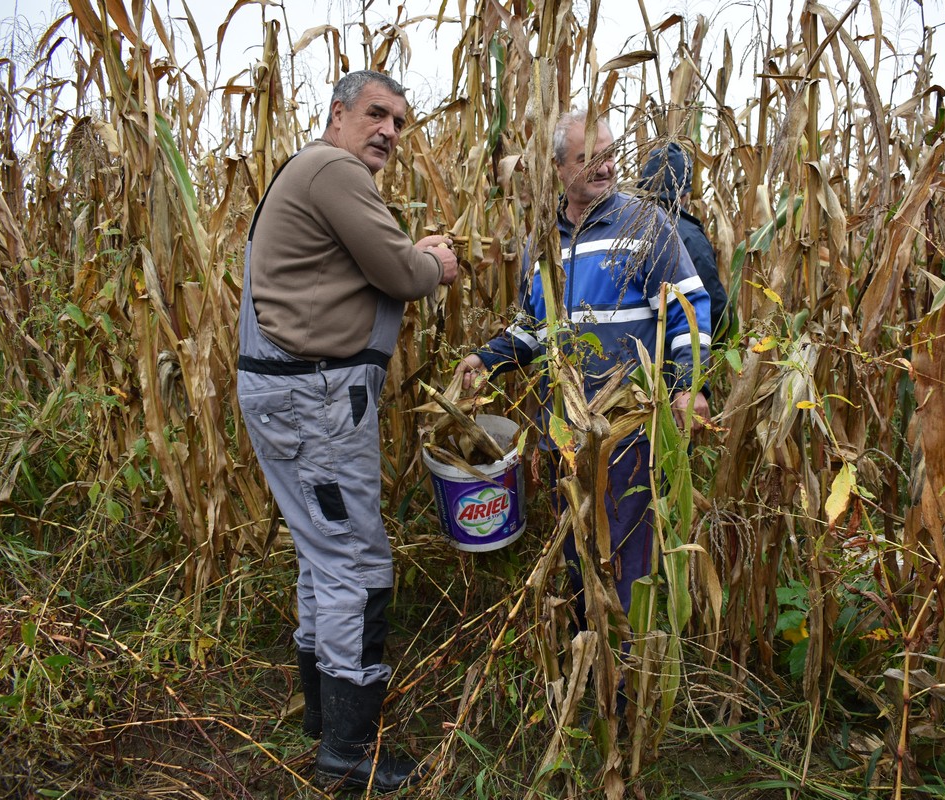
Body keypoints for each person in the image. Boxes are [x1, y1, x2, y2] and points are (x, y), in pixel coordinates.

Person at [236, 69, 458, 792]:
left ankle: (322, 720)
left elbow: (361, 263)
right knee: (355, 567)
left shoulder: (313, 171)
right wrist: (434, 262)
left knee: (320, 557)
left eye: (398, 121)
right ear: (338, 115)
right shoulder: (330, 165)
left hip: (297, 396)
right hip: (317, 404)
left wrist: (408, 255)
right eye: (376, 114)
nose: (389, 131)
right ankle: (348, 753)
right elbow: (399, 273)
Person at [455, 111, 711, 628]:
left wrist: (687, 386)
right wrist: (488, 358)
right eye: (588, 159)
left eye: (610, 154)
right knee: (576, 552)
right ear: (556, 170)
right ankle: (587, 661)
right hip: (563, 434)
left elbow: (690, 309)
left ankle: (626, 677)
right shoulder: (542, 243)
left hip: (627, 432)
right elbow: (535, 327)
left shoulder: (645, 226)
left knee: (625, 560)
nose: (605, 167)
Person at [638, 142, 729, 341]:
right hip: (676, 360)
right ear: (685, 194)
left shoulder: (624, 224)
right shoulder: (689, 236)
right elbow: (715, 307)